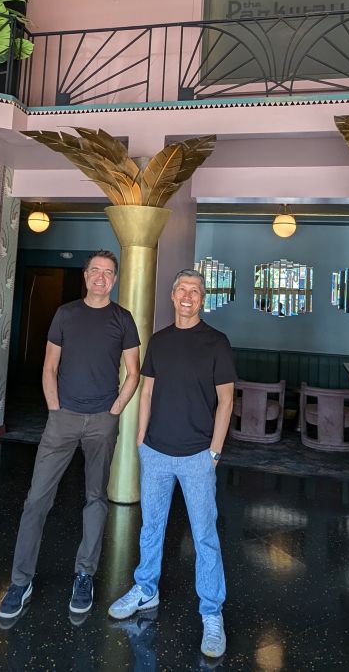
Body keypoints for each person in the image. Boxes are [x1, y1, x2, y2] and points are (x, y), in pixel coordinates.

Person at [0, 250, 141, 621]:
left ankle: (84, 574)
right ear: (85, 275)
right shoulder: (66, 314)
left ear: (114, 279)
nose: (101, 277)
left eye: (108, 272)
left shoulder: (123, 320)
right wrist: (55, 408)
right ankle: (20, 580)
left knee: (96, 498)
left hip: (102, 421)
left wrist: (114, 411)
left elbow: (133, 373)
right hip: (62, 420)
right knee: (36, 499)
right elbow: (49, 366)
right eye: (95, 270)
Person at [108, 268, 236, 659]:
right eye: (182, 288)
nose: (188, 296)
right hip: (157, 452)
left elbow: (226, 401)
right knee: (151, 527)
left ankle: (211, 613)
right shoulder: (159, 341)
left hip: (198, 456)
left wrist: (214, 452)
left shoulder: (217, 342)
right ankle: (146, 589)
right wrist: (140, 439)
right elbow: (146, 391)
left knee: (204, 537)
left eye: (195, 291)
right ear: (172, 295)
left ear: (202, 298)